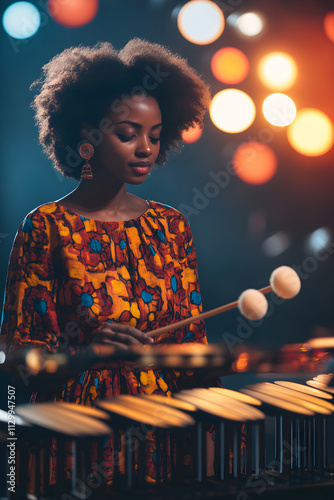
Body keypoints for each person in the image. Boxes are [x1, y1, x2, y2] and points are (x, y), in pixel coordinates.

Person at [0, 38, 212, 487]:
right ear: (88, 138)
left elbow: (194, 352)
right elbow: (16, 361)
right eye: (127, 133)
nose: (145, 149)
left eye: (155, 136)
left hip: (161, 437)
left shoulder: (172, 227)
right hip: (74, 437)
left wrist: (205, 452)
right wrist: (85, 353)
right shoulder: (46, 227)